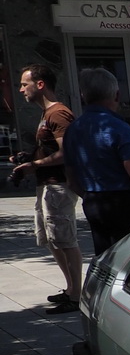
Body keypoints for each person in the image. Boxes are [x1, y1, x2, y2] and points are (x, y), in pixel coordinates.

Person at [63, 69, 130, 253]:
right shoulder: (119, 128)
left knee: (105, 258)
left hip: (93, 201)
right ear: (117, 95)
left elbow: (71, 180)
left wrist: (91, 195)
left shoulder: (73, 129)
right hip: (125, 204)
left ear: (84, 96)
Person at [7, 64, 81, 312]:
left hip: (58, 186)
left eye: (24, 84)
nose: (20, 89)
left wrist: (34, 164)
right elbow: (52, 149)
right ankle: (70, 289)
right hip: (47, 185)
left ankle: (76, 295)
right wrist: (28, 157)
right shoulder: (47, 114)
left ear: (40, 85)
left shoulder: (58, 114)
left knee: (65, 240)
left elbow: (68, 152)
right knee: (52, 240)